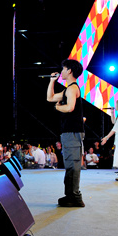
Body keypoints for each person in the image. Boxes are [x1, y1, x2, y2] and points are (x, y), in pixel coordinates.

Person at [47, 59, 85, 207]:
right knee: (70, 164)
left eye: (63, 69)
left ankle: (75, 197)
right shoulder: (67, 89)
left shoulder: (72, 89)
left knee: (73, 165)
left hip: (72, 132)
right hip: (69, 132)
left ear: (69, 71)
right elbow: (50, 98)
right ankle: (70, 195)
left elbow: (69, 107)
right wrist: (52, 81)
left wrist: (57, 108)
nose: (61, 71)